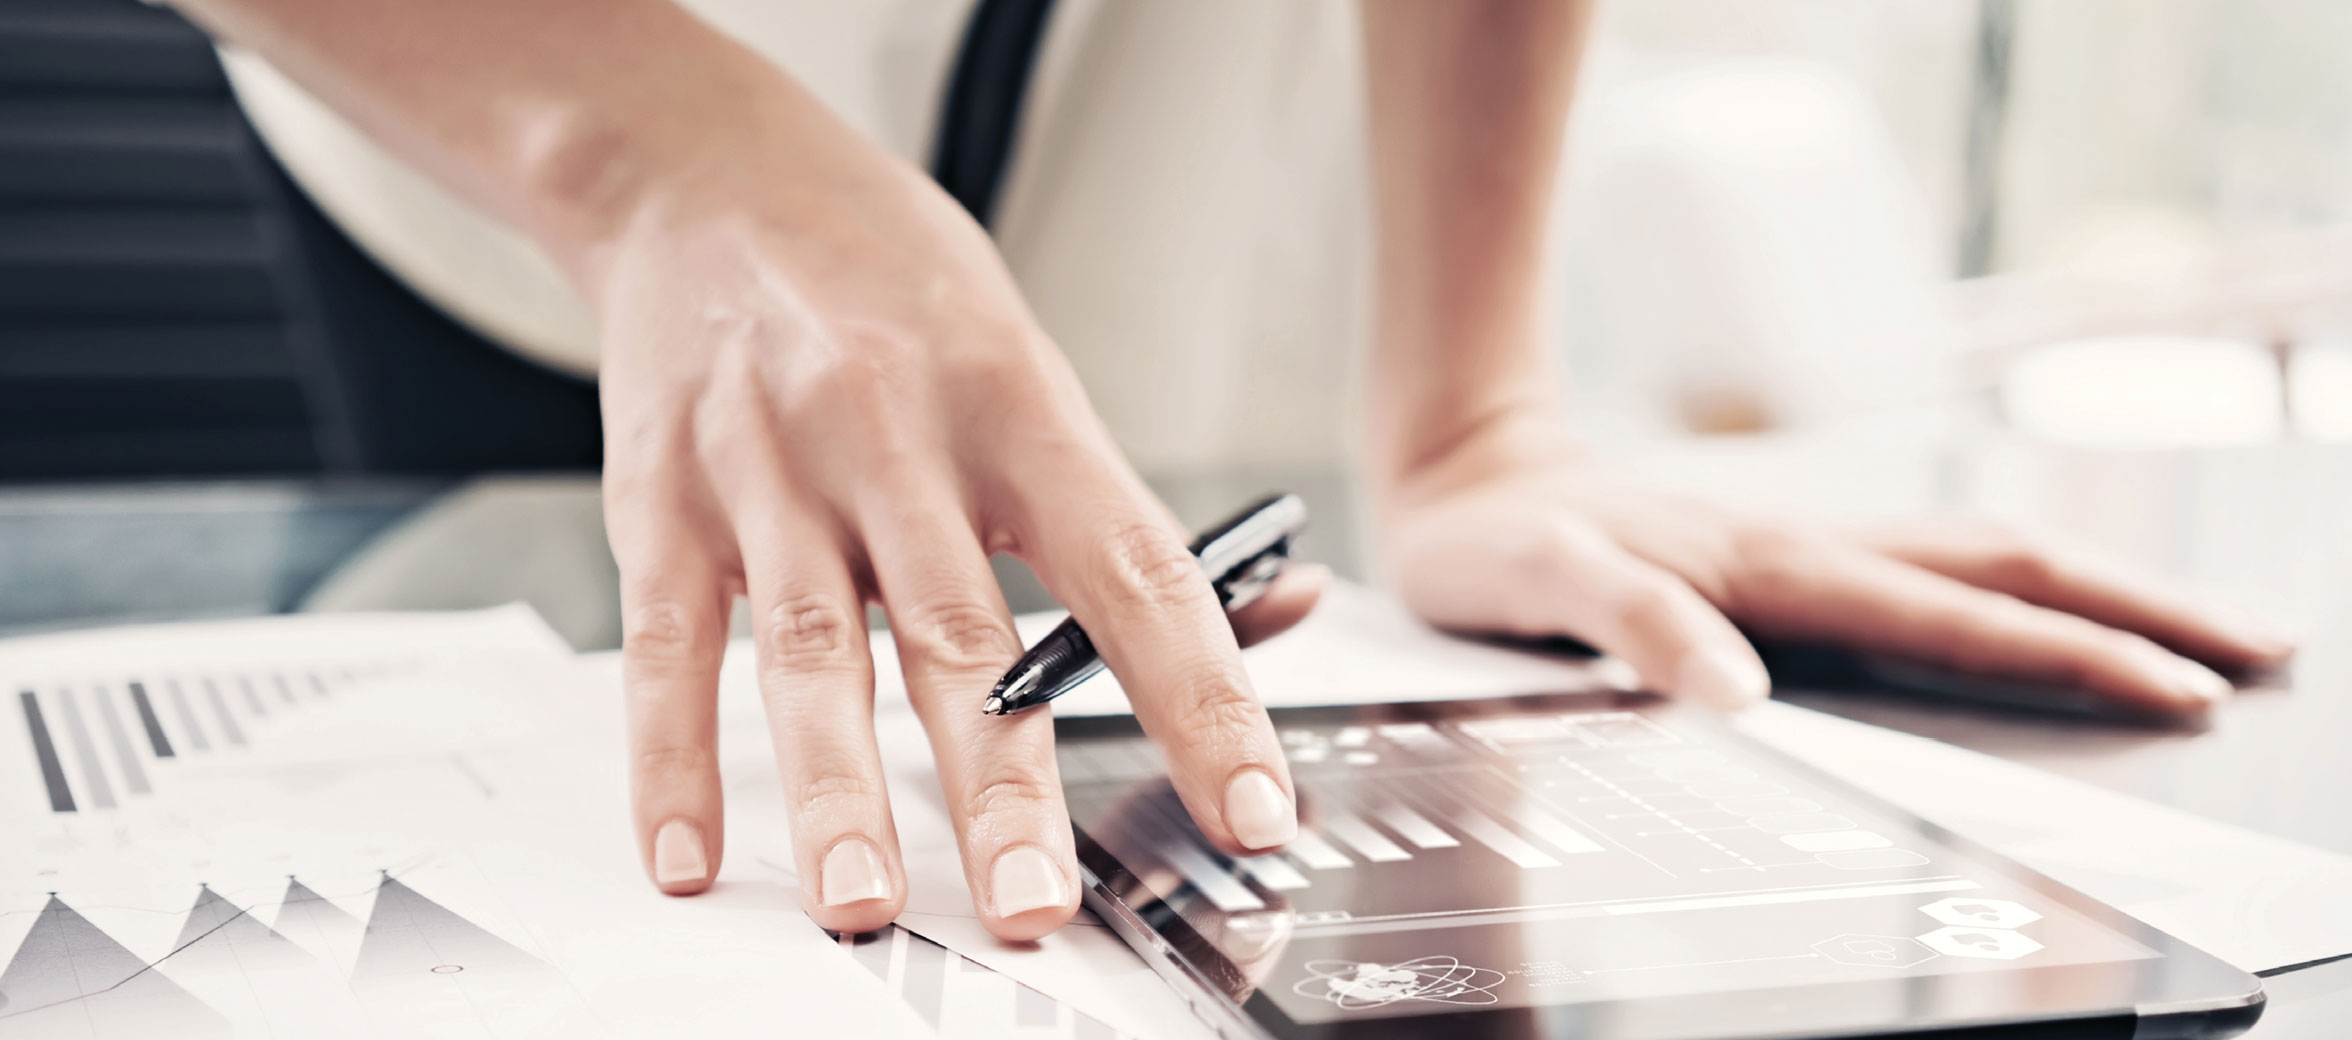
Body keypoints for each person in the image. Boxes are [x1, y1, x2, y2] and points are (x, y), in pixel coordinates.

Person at [170, 0, 2292, 943]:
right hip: (524, 129)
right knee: (585, 784)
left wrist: (1470, 399)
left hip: (1173, 126)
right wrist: (635, 153)